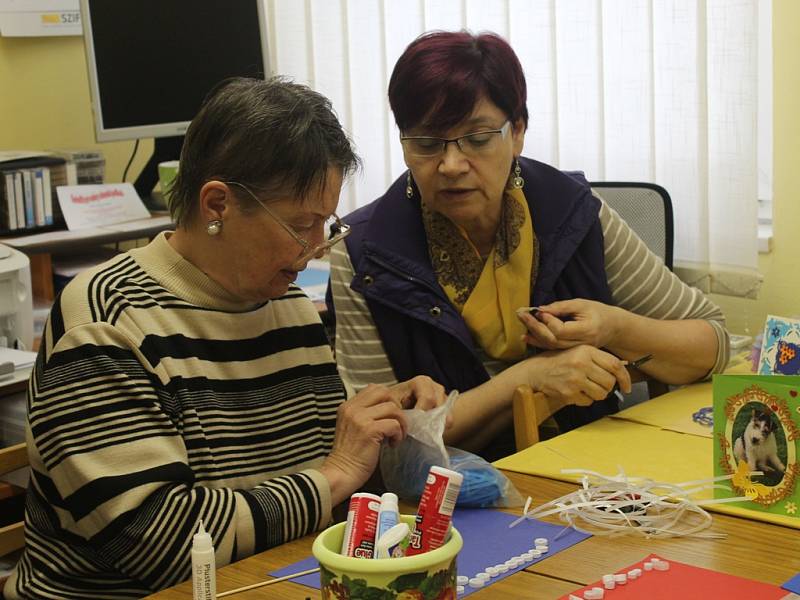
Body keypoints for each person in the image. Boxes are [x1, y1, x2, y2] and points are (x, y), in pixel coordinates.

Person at [4, 77, 446, 599]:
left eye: (326, 226)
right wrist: (338, 473)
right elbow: (161, 544)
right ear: (217, 205)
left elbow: (324, 472)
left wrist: (385, 424)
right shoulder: (104, 321)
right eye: (301, 225)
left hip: (272, 579)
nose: (317, 249)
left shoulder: (286, 303)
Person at [327, 31, 729, 455]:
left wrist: (616, 327)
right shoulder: (364, 252)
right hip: (449, 498)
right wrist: (529, 379)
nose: (451, 165)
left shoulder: (572, 213)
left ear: (517, 131)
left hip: (588, 474)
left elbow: (712, 345)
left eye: (478, 139)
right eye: (426, 144)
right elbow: (377, 441)